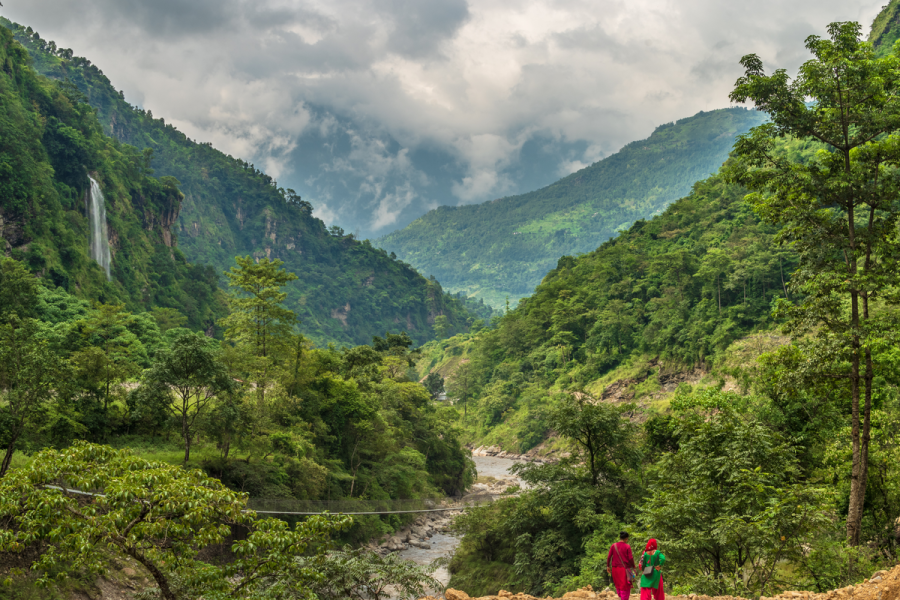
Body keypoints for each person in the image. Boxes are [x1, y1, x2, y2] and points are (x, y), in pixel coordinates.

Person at [607, 531, 636, 600]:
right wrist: (633, 565)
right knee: (625, 585)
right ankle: (624, 598)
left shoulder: (614, 545)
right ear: (626, 539)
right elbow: (630, 558)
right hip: (623, 569)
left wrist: (608, 566)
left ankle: (621, 596)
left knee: (618, 584)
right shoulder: (627, 546)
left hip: (615, 569)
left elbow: (609, 557)